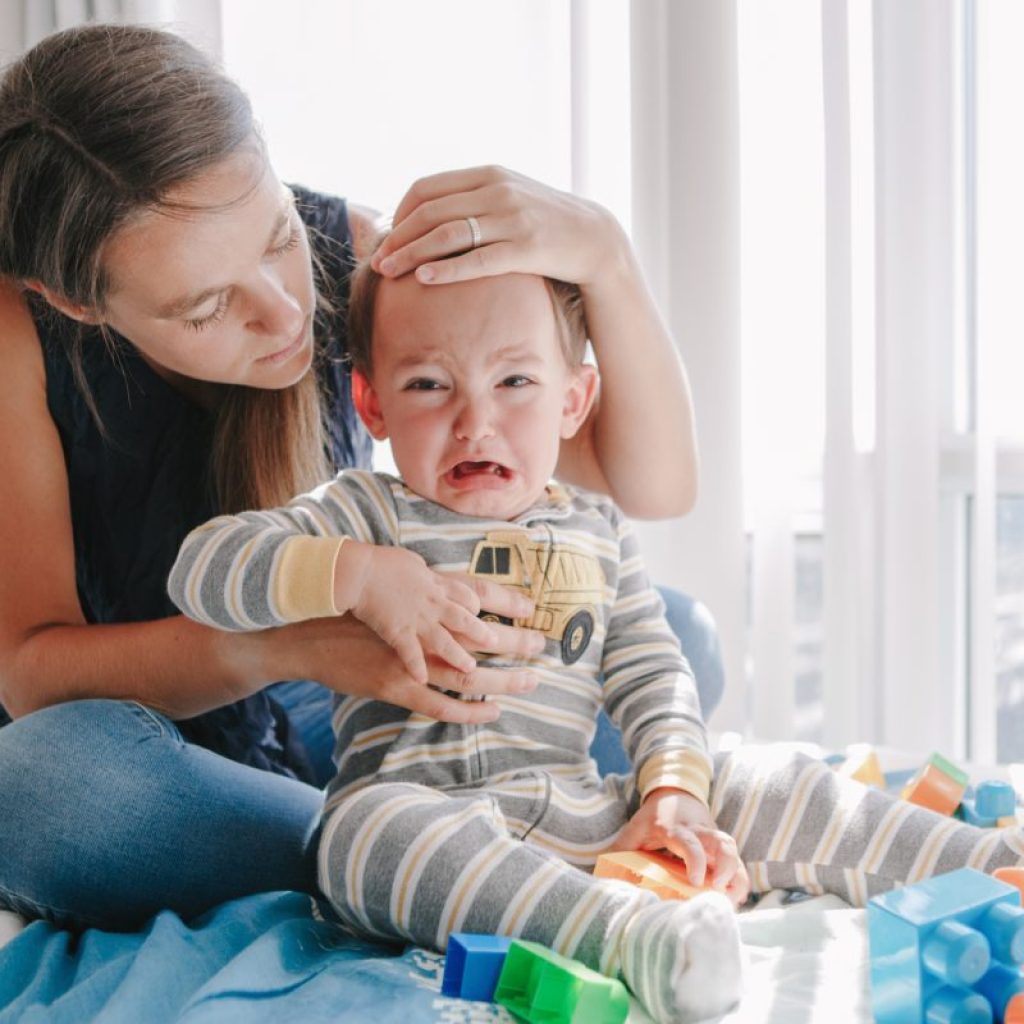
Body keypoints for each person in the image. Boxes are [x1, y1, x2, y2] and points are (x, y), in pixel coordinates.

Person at [0, 23, 710, 933]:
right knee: (41, 787)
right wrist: (289, 642)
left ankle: (430, 852)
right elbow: (28, 674)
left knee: (678, 636)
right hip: (165, 735)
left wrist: (606, 257)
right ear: (75, 303)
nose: (287, 310)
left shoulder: (366, 256)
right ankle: (397, 848)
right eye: (208, 306)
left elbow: (649, 485)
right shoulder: (23, 336)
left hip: (324, 713)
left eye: (275, 235)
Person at [168, 259, 748, 1023]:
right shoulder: (366, 510)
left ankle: (957, 857)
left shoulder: (597, 527)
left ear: (573, 399)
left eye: (514, 383)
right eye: (428, 386)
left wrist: (675, 790)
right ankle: (626, 933)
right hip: (425, 818)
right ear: (371, 405)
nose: (476, 421)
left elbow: (652, 670)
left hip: (568, 806)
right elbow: (199, 572)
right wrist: (359, 576)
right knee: (353, 837)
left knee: (741, 777)